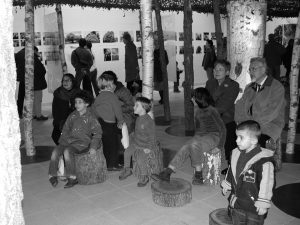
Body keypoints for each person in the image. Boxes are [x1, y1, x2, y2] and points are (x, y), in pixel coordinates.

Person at [152, 87, 226, 185]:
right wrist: (195, 139)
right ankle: (168, 172)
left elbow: (223, 129)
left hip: (213, 136)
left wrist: (219, 146)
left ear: (199, 98)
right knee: (186, 146)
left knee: (194, 145)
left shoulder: (212, 110)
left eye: (193, 97)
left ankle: (198, 175)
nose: (191, 99)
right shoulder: (197, 110)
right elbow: (199, 129)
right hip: (201, 136)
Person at [235, 57, 285, 170]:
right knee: (233, 134)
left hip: (269, 124)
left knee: (258, 143)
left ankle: (259, 171)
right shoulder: (250, 87)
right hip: (250, 123)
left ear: (264, 69)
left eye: (254, 69)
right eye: (250, 69)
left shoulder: (276, 86)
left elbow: (273, 111)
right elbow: (240, 105)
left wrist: (253, 125)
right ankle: (234, 166)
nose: (251, 72)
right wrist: (240, 121)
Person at [221, 120, 275, 225]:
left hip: (253, 206)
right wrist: (227, 184)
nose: (237, 140)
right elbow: (231, 170)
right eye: (236, 137)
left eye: (241, 137)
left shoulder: (263, 161)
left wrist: (263, 203)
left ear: (254, 140)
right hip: (237, 203)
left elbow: (267, 183)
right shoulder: (235, 153)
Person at [48, 90, 102, 188]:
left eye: (80, 102)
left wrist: (93, 147)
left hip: (81, 144)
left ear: (87, 103)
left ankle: (73, 178)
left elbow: (97, 133)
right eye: (76, 102)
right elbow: (66, 129)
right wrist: (62, 143)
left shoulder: (91, 117)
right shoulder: (72, 115)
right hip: (68, 141)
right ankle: (52, 174)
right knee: (55, 152)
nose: (77, 104)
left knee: (67, 152)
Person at [206, 59, 240, 174]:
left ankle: (232, 166)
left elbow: (225, 105)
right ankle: (211, 166)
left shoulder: (233, 85)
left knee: (230, 143)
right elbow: (205, 101)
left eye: (220, 69)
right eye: (215, 69)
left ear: (227, 72)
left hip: (226, 118)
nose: (216, 71)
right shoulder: (210, 83)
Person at [119, 97, 157, 187]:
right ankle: (127, 169)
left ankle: (144, 176)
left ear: (143, 108)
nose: (133, 107)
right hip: (136, 143)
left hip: (144, 146)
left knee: (140, 159)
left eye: (136, 105)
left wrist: (149, 147)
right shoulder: (138, 118)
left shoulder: (148, 121)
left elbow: (152, 136)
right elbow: (137, 132)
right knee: (127, 153)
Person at [92, 71, 125, 171]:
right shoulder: (112, 96)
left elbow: (93, 109)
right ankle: (113, 164)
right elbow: (117, 110)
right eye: (114, 83)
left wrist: (97, 120)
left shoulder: (98, 96)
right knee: (114, 145)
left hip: (100, 123)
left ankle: (106, 163)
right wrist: (120, 121)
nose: (115, 85)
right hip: (110, 125)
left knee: (105, 145)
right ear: (110, 86)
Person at [15, 47, 48, 120]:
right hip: (34, 80)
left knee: (22, 97)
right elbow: (41, 70)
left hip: (23, 79)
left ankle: (20, 113)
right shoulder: (32, 56)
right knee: (37, 98)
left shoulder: (18, 54)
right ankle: (38, 115)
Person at [51, 73, 81, 145]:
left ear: (73, 82)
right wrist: (59, 123)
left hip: (75, 120)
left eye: (68, 80)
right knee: (55, 135)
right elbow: (55, 111)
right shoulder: (58, 93)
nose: (65, 82)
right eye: (64, 80)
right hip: (61, 120)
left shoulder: (78, 93)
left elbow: (81, 110)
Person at [153, 38, 169, 104]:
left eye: (157, 43)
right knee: (159, 87)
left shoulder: (163, 52)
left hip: (161, 71)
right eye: (155, 43)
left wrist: (162, 64)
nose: (156, 44)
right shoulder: (153, 52)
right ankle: (162, 98)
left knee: (162, 86)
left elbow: (167, 61)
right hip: (156, 72)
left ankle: (163, 99)